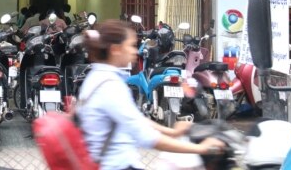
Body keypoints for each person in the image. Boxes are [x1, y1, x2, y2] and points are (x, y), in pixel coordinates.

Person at [79, 19, 224, 170]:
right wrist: (203, 149)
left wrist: (171, 131)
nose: (135, 51)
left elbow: (134, 118)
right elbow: (146, 137)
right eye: (131, 46)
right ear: (115, 49)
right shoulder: (110, 86)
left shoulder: (97, 78)